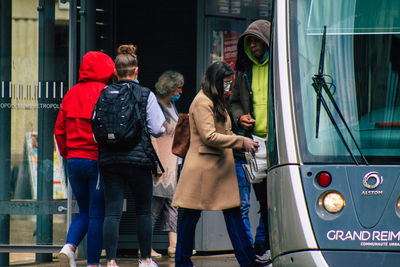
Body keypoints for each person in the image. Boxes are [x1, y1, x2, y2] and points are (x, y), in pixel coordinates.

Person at [172, 61, 262, 267]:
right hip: (203, 170)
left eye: (230, 82)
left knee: (232, 215)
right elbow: (209, 136)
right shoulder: (203, 102)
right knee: (190, 218)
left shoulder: (215, 99)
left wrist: (241, 141)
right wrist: (241, 141)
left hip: (217, 167)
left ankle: (247, 261)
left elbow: (222, 132)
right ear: (216, 81)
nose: (229, 86)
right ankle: (183, 262)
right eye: (226, 82)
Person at [99, 44, 165, 267]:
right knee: (144, 210)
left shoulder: (105, 93)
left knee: (112, 211)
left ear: (116, 72)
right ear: (137, 70)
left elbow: (94, 128)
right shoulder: (145, 94)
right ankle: (146, 259)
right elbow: (157, 128)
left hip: (110, 160)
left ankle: (110, 261)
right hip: (138, 160)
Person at [54, 51, 115, 267]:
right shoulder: (107, 92)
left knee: (84, 210)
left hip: (74, 160)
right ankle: (92, 263)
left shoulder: (71, 93)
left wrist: (67, 154)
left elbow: (59, 129)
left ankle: (69, 247)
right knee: (97, 214)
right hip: (96, 160)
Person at [230, 19, 271, 263]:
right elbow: (234, 102)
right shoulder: (244, 71)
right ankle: (265, 245)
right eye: (249, 42)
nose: (252, 45)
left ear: (267, 41)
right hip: (254, 143)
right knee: (263, 199)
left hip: (279, 144)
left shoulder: (281, 66)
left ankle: (267, 243)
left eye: (256, 41)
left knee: (276, 198)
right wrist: (239, 116)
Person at [149, 70, 184, 258]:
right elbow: (151, 133)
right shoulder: (154, 103)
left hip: (173, 161)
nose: (181, 91)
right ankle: (146, 247)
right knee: (154, 206)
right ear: (170, 87)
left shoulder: (171, 105)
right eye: (178, 87)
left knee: (173, 203)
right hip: (160, 162)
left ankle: (174, 244)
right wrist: (155, 163)